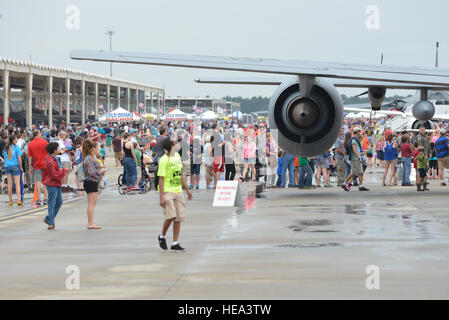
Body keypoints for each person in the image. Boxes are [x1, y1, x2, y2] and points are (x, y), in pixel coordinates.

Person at [157, 138, 193, 251]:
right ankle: (162, 236)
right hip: (167, 190)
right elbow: (161, 179)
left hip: (178, 190)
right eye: (175, 144)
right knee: (171, 216)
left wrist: (187, 189)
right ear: (171, 147)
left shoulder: (177, 156)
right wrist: (161, 196)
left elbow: (181, 174)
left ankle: (175, 243)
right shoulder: (163, 160)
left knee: (178, 218)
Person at [82, 139, 106, 230]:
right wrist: (101, 172)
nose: (98, 150)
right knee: (91, 203)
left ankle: (91, 222)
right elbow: (92, 172)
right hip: (90, 181)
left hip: (92, 181)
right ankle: (90, 223)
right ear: (92, 149)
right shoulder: (88, 159)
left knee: (92, 203)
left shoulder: (91, 158)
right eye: (97, 148)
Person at [42, 142, 67, 230]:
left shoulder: (53, 158)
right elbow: (54, 175)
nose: (59, 150)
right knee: (52, 203)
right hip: (52, 183)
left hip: (55, 183)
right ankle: (51, 222)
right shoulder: (50, 161)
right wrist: (64, 171)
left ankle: (49, 218)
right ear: (54, 150)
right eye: (58, 148)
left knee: (59, 202)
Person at [342, 127, 369, 191]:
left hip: (354, 158)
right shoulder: (354, 140)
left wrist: (362, 153)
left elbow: (356, 150)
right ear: (357, 132)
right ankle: (347, 183)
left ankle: (358, 185)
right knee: (357, 172)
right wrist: (359, 157)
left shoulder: (354, 139)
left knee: (357, 173)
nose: (360, 133)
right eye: (359, 132)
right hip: (355, 159)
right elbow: (354, 150)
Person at [28, 130, 49, 205]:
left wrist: (30, 166)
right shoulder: (45, 142)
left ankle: (38, 199)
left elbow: (30, 156)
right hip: (45, 164)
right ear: (38, 134)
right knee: (45, 182)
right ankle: (46, 198)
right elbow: (48, 153)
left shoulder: (30, 144)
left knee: (37, 182)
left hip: (36, 165)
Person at [2, 135, 24, 206]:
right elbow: (19, 158)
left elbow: (5, 158)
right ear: (14, 139)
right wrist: (21, 167)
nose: (17, 139)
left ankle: (10, 201)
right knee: (17, 183)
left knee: (9, 184)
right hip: (15, 166)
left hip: (7, 166)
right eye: (16, 138)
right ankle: (19, 199)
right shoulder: (17, 147)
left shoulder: (6, 148)